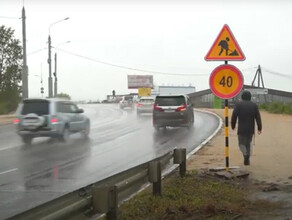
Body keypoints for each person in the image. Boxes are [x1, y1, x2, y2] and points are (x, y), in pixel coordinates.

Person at [231, 90, 262, 165]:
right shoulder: (254, 106)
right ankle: (247, 157)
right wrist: (259, 128)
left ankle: (245, 155)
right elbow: (258, 117)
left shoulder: (238, 105)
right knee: (248, 143)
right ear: (250, 97)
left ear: (242, 97)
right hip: (250, 129)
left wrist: (233, 125)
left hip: (241, 129)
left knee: (241, 143)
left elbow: (234, 116)